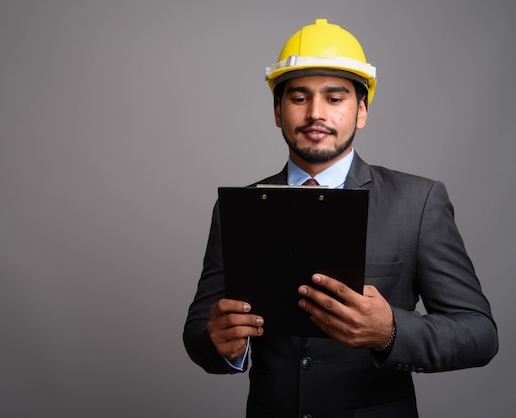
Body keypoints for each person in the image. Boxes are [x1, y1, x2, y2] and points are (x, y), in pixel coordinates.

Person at [183, 19, 499, 418]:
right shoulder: (240, 207)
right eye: (299, 98)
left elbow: (480, 334)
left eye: (335, 99)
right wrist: (221, 345)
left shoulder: (418, 201)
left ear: (361, 111)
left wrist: (391, 332)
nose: (316, 113)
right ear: (277, 111)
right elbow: (199, 329)